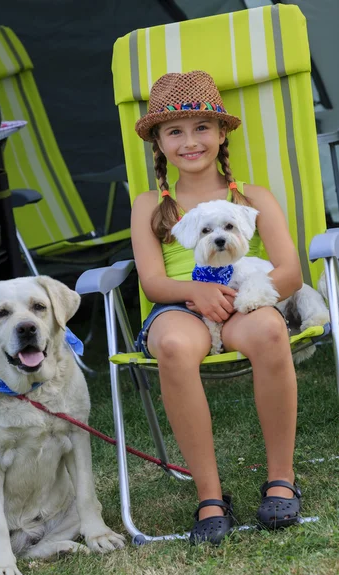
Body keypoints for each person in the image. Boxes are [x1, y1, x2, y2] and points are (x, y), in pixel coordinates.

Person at [132, 71, 302, 544]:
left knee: (270, 332)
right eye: (176, 131)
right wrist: (196, 291)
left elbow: (289, 272)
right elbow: (152, 283)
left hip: (247, 303)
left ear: (222, 134)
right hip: (182, 309)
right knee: (169, 344)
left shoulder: (251, 197)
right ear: (160, 143)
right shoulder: (149, 204)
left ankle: (281, 479)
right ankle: (209, 495)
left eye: (202, 127)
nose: (191, 141)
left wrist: (236, 296)